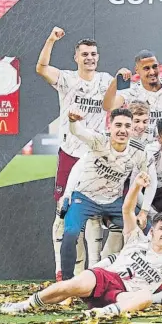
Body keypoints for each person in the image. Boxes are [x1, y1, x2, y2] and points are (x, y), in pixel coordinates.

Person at [0, 172, 162, 317]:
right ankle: (25, 305)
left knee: (146, 297)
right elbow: (127, 210)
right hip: (107, 278)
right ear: (152, 232)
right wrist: (136, 186)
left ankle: (101, 313)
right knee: (70, 285)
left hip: (123, 295)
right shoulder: (137, 239)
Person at [36, 26, 113, 281]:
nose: (90, 58)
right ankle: (61, 270)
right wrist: (50, 40)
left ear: (98, 57)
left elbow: (119, 104)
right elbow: (41, 68)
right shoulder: (67, 79)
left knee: (93, 215)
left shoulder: (106, 80)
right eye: (85, 54)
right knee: (62, 210)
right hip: (70, 153)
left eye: (93, 54)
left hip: (95, 155)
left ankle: (92, 272)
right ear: (76, 57)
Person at [60, 108, 151, 281]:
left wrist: (144, 210)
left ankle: (139, 277)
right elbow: (78, 131)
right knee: (70, 233)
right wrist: (73, 120)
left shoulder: (140, 152)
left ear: (132, 129)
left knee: (147, 229)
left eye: (127, 126)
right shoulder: (99, 140)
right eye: (118, 125)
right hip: (85, 197)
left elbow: (145, 178)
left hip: (113, 202)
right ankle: (66, 283)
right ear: (109, 126)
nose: (122, 130)